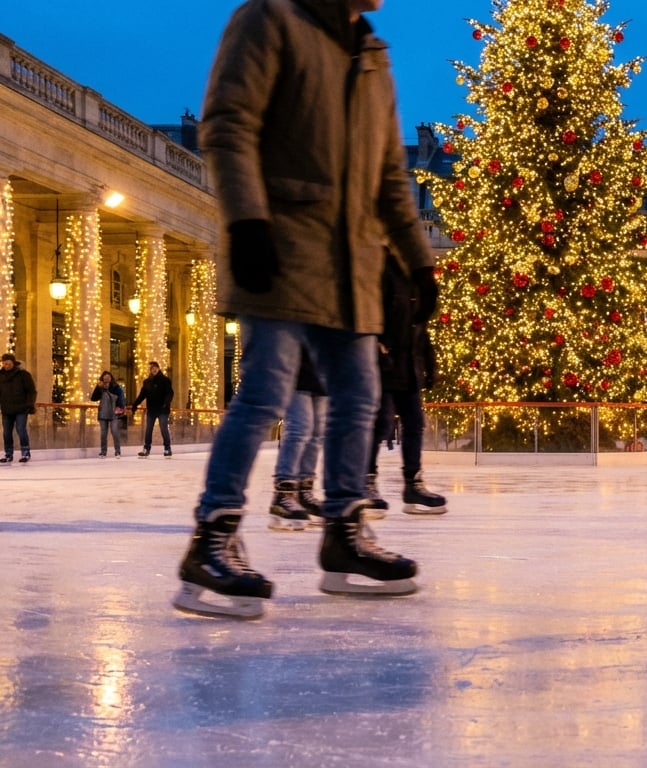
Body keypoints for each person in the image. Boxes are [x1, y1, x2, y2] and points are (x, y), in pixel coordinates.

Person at [172, 0, 436, 619]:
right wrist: (247, 220)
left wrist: (417, 258)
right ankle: (212, 536)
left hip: (353, 263)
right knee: (264, 393)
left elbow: (390, 177)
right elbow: (228, 123)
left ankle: (344, 533)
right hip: (283, 244)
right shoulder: (270, 18)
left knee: (359, 398)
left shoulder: (372, 54)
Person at [367, 249, 447, 516]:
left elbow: (420, 326)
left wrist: (428, 364)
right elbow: (375, 311)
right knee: (381, 422)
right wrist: (378, 343)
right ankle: (365, 483)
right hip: (384, 362)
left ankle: (413, 484)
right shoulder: (380, 267)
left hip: (408, 363)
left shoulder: (414, 276)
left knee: (415, 422)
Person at [267, 350, 327, 531]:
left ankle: (304, 492)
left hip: (323, 368)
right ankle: (283, 494)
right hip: (295, 365)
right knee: (299, 428)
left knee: (317, 432)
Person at [130, 361, 174, 458]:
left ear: (158, 368)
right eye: (151, 368)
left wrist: (166, 402)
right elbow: (142, 395)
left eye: (155, 367)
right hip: (152, 410)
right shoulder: (147, 382)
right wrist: (135, 405)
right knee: (148, 429)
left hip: (162, 409)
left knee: (163, 428)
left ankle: (167, 449)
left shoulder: (165, 380)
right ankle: (146, 449)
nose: (153, 369)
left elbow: (169, 393)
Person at [0, 353, 36, 464]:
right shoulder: (0, 375)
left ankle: (25, 453)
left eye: (8, 363)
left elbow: (31, 391)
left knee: (21, 430)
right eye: (4, 363)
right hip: (6, 409)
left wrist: (29, 405)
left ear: (13, 363)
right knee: (6, 432)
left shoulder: (23, 375)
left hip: (21, 408)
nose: (6, 365)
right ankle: (8, 454)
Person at [90, 370, 126, 458]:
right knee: (103, 433)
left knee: (114, 431)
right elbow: (93, 398)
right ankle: (103, 452)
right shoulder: (100, 387)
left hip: (113, 413)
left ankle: (118, 451)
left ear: (111, 378)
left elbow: (121, 398)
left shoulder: (116, 387)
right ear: (102, 379)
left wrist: (120, 407)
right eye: (105, 378)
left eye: (108, 378)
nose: (106, 380)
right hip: (103, 413)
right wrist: (98, 388)